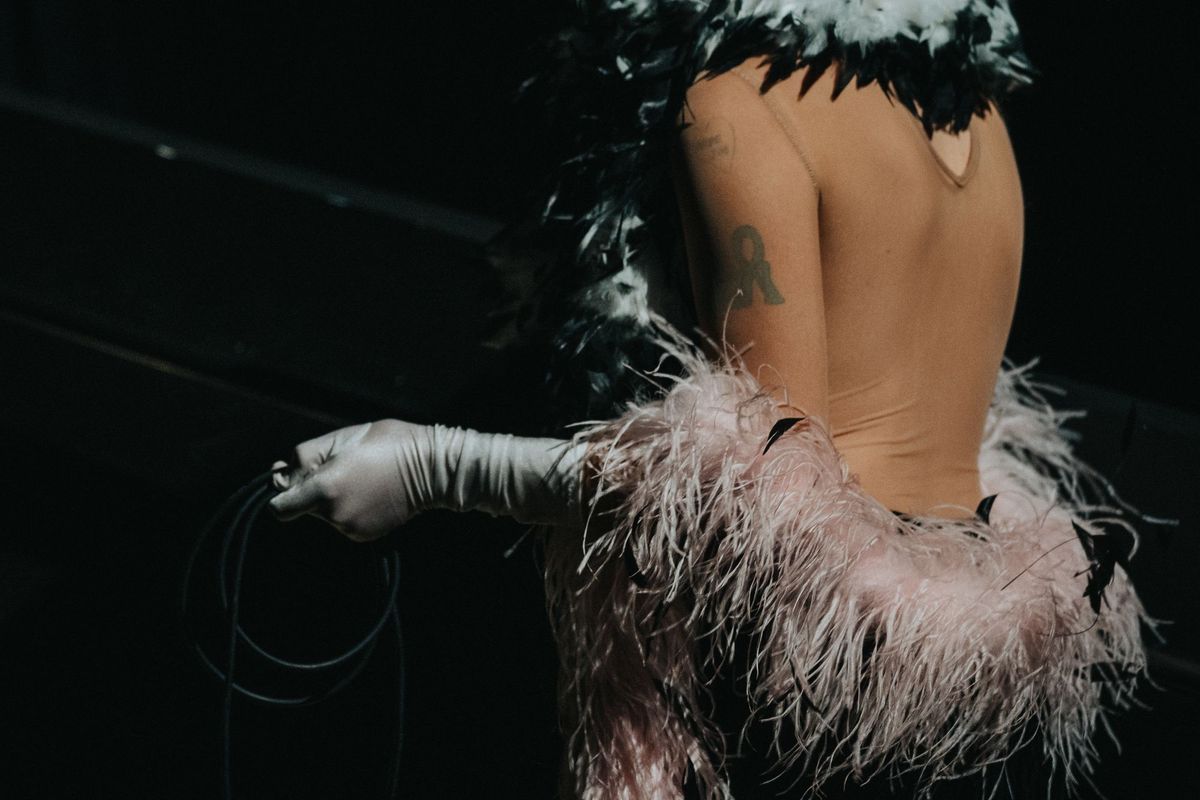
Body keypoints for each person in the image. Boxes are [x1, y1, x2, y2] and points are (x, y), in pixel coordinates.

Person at [269, 2, 1149, 798]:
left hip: (802, 704)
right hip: (980, 712)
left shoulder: (737, 104)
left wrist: (436, 467)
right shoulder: (976, 110)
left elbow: (763, 492)